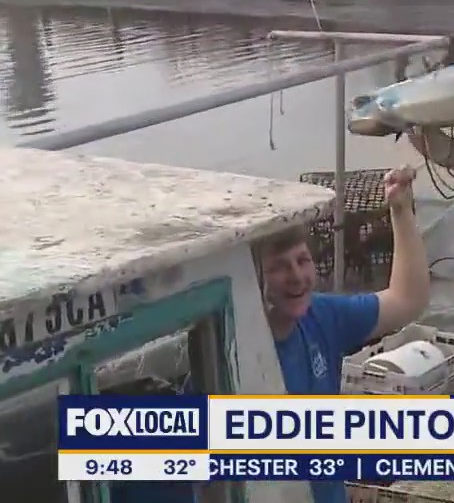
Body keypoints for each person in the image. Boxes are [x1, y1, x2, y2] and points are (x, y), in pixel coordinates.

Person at [113, 165, 433, 503]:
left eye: (303, 260)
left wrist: (400, 209)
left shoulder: (321, 315)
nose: (297, 276)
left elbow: (406, 300)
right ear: (252, 280)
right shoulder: (223, 364)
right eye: (279, 267)